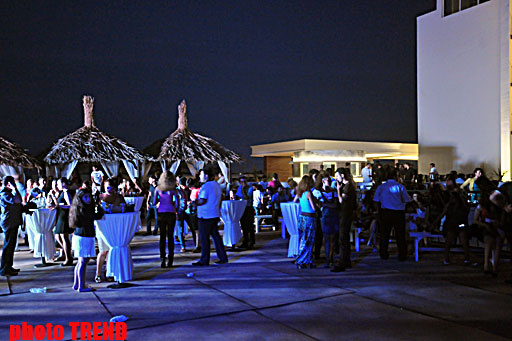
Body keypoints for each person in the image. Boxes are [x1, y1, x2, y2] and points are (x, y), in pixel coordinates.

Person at [373, 165, 411, 261]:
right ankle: (402, 254)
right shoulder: (400, 187)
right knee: (400, 235)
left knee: (384, 234)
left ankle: (383, 253)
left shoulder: (381, 187)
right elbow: (406, 200)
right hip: (398, 212)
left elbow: (376, 200)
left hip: (385, 211)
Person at [69, 188, 104, 292]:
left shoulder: (78, 208)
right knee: (83, 261)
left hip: (80, 236)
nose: (88, 199)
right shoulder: (84, 209)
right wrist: (99, 206)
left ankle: (77, 284)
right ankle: (81, 286)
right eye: (86, 197)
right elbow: (97, 216)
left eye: (89, 197)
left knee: (81, 261)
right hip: (84, 236)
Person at [193, 166, 228, 266]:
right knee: (216, 237)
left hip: (205, 215)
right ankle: (222, 257)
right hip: (214, 214)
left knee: (204, 239)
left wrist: (195, 203)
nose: (200, 176)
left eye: (201, 174)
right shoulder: (216, 185)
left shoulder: (206, 186)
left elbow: (203, 200)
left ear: (206, 176)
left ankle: (204, 260)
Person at [332, 168, 356, 272]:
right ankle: (346, 260)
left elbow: (341, 200)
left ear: (342, 175)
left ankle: (343, 262)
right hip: (346, 214)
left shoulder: (347, 186)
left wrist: (338, 189)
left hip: (345, 214)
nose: (336, 179)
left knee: (343, 238)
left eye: (337, 176)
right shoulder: (349, 186)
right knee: (344, 238)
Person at [154, 171, 179, 268]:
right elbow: (177, 202)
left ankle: (162, 259)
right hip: (171, 212)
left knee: (162, 236)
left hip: (161, 213)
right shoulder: (173, 189)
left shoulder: (158, 189)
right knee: (170, 236)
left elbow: (154, 201)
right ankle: (171, 259)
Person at [0, 176, 22, 276]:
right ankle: (4, 269)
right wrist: (15, 189)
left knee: (11, 245)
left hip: (12, 221)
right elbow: (18, 200)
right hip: (9, 222)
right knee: (8, 246)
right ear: (9, 183)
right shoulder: (4, 193)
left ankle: (9, 266)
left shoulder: (8, 193)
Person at [315, 172, 338, 268]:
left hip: (333, 216)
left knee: (333, 239)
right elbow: (317, 205)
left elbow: (335, 204)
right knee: (327, 239)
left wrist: (324, 204)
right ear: (322, 181)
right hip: (325, 217)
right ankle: (329, 259)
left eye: (329, 179)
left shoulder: (333, 191)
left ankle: (330, 258)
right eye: (326, 180)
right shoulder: (317, 192)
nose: (328, 181)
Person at [293, 175, 317, 269]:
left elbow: (294, 201)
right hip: (309, 218)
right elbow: (314, 208)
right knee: (308, 240)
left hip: (302, 217)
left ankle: (306, 259)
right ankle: (302, 260)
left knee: (303, 239)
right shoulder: (308, 194)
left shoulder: (300, 193)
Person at [54, 177, 74, 266]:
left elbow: (70, 205)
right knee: (58, 236)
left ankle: (68, 258)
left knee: (63, 237)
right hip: (61, 216)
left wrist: (59, 206)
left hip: (64, 216)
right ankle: (68, 254)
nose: (57, 186)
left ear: (63, 184)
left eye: (59, 184)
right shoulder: (62, 193)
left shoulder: (66, 192)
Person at [235, 176, 255, 249]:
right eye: (241, 182)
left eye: (244, 181)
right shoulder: (239, 188)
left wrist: (243, 189)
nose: (242, 183)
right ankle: (245, 241)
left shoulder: (250, 188)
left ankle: (251, 241)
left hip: (248, 207)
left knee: (250, 225)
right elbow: (237, 196)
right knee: (243, 225)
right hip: (242, 208)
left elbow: (247, 197)